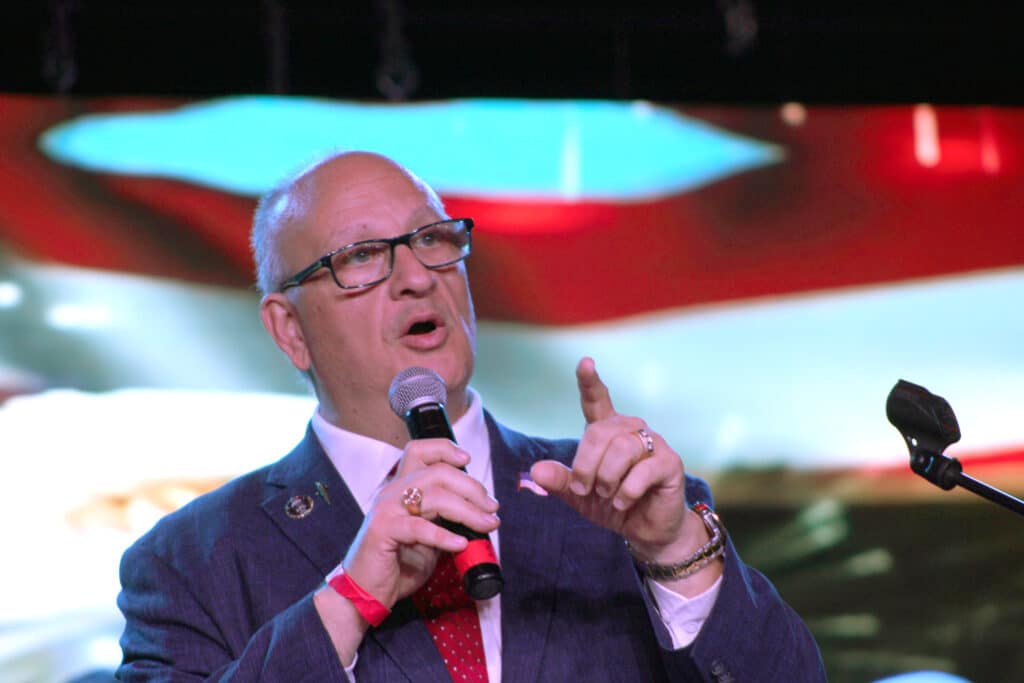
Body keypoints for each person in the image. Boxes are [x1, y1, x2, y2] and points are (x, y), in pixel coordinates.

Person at [116, 151, 825, 681]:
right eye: (362, 256)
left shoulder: (621, 503)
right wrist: (349, 600)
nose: (416, 276)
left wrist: (675, 554)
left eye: (432, 239)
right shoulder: (192, 562)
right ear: (289, 328)